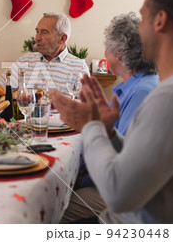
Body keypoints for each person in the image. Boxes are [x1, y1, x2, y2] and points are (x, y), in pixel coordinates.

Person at [50, 0, 173, 224]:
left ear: (160, 21)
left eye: (143, 17)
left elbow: (119, 194)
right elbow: (139, 162)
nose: (138, 31)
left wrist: (92, 127)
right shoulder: (168, 90)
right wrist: (109, 134)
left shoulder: (171, 96)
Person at [60, 12, 159, 223]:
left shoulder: (141, 92)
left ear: (120, 55)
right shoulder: (140, 84)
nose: (105, 54)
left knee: (53, 210)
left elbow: (122, 162)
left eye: (107, 48)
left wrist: (79, 179)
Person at [0, 12, 90, 91]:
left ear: (62, 38)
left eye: (44, 32)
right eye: (37, 31)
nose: (37, 38)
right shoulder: (25, 61)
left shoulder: (79, 67)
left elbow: (86, 106)